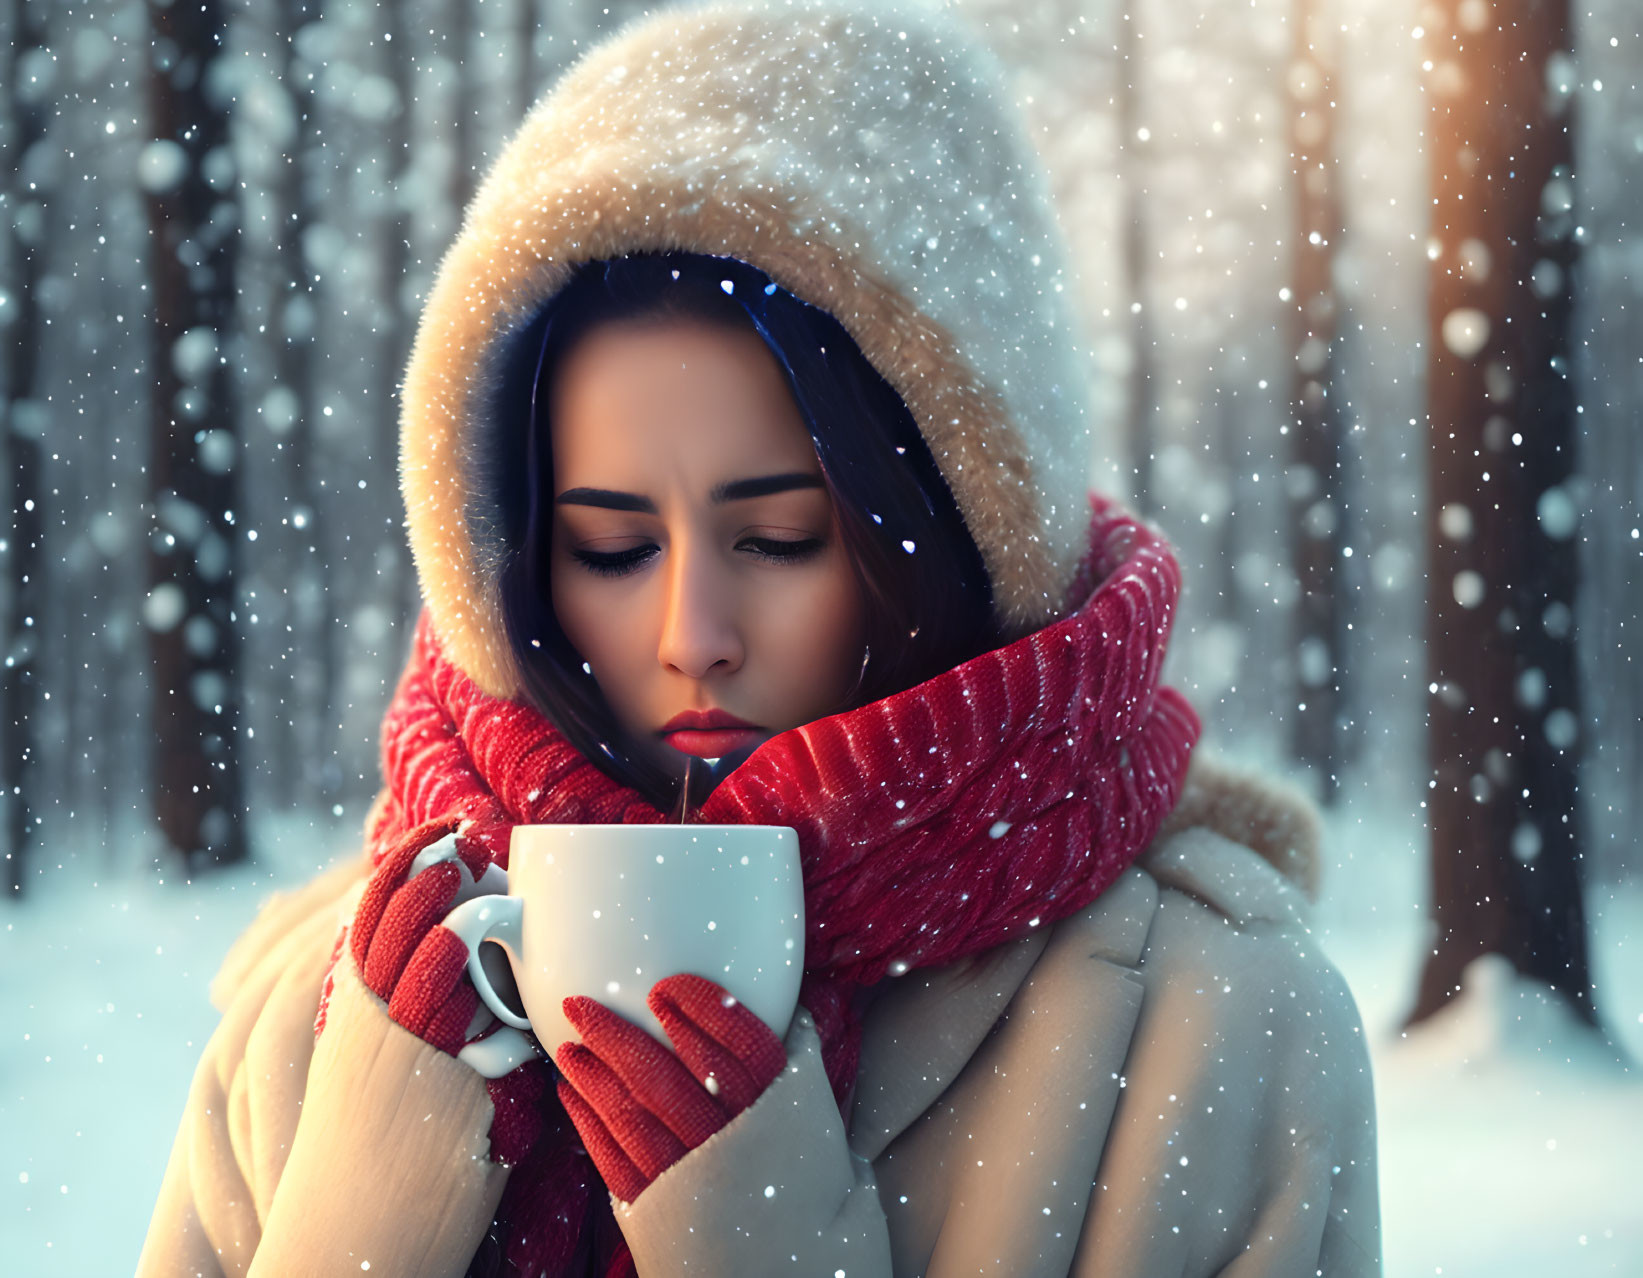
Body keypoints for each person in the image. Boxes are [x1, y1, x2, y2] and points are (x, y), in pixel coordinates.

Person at [137, 2, 1381, 1275]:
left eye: (779, 538)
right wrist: (378, 1191)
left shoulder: (1201, 1037)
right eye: (612, 551)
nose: (691, 638)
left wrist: (759, 1238)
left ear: (955, 530)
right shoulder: (342, 1013)